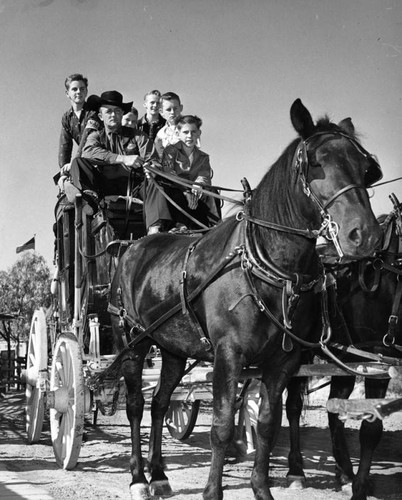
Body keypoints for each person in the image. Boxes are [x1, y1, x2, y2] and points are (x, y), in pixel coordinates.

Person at [62, 90, 156, 205]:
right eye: (108, 111)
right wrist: (123, 159)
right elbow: (88, 152)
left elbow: (152, 160)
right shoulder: (95, 136)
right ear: (101, 116)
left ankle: (158, 221)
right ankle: (90, 200)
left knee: (156, 184)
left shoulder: (138, 136)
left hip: (134, 184)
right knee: (78, 162)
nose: (113, 115)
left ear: (122, 114)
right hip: (103, 185)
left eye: (117, 111)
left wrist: (149, 166)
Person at [147, 115, 219, 234]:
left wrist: (198, 186)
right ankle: (181, 225)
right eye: (185, 132)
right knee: (174, 192)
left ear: (199, 133)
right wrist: (186, 190)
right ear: (178, 133)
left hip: (195, 191)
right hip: (177, 189)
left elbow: (204, 175)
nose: (189, 136)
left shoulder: (203, 157)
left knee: (211, 193)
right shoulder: (170, 151)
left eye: (193, 132)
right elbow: (169, 172)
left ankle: (214, 226)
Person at [58, 73, 99, 171]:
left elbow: (86, 139)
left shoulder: (93, 112)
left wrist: (75, 162)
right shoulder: (67, 118)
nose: (79, 92)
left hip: (99, 158)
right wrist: (63, 168)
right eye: (74, 89)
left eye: (82, 89)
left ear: (86, 91)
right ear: (67, 93)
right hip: (83, 161)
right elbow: (64, 146)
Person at [153, 92, 183, 158]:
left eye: (175, 108)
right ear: (161, 112)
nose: (172, 112)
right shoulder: (161, 134)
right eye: (168, 110)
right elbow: (159, 156)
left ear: (181, 108)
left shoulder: (190, 127)